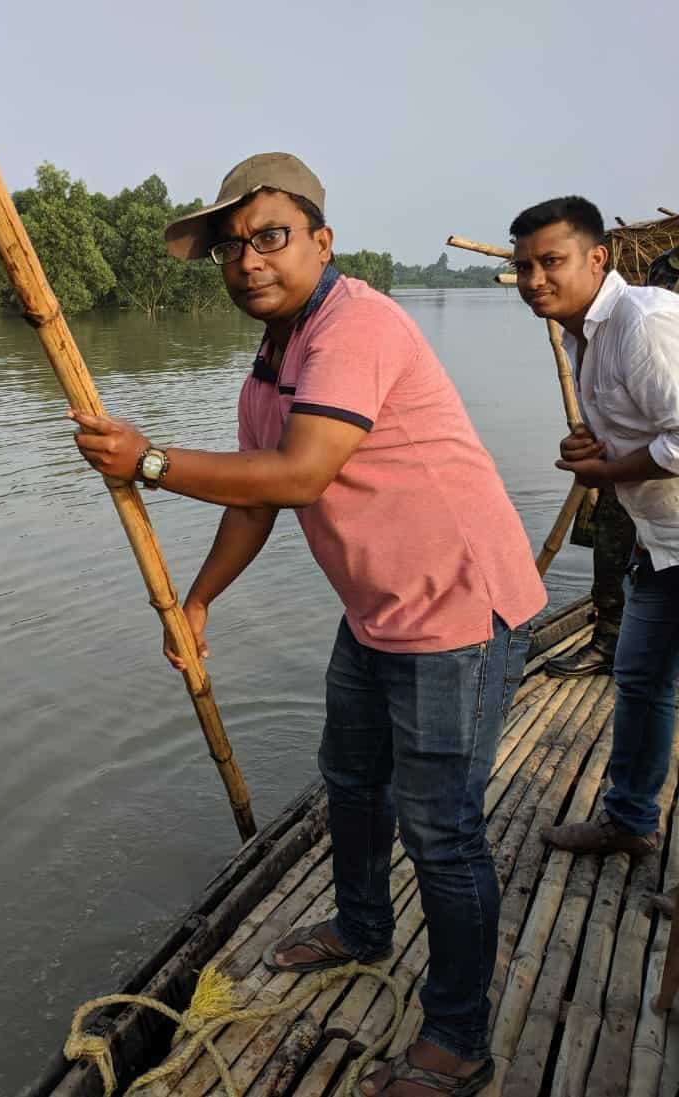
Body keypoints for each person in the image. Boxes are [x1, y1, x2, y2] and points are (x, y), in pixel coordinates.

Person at [71, 152, 546, 1096]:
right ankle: (363, 927)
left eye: (271, 236)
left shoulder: (356, 324)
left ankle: (458, 1035)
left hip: (459, 610)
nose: (248, 261)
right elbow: (256, 504)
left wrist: (152, 461)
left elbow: (299, 475)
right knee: (352, 786)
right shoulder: (272, 361)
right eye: (231, 248)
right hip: (378, 612)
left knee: (442, 830)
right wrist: (198, 599)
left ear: (322, 241)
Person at [510, 199, 679, 857]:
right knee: (638, 680)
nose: (533, 280)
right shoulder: (585, 333)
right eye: (524, 266)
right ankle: (631, 820)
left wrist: (609, 466)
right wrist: (598, 455)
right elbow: (636, 433)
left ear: (597, 258)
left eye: (550, 262)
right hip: (661, 542)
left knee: (642, 680)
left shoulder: (642, 325)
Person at [544, 486, 634, 678]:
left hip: (656, 481)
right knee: (613, 554)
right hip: (620, 482)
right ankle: (609, 642)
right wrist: (595, 481)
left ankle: (613, 644)